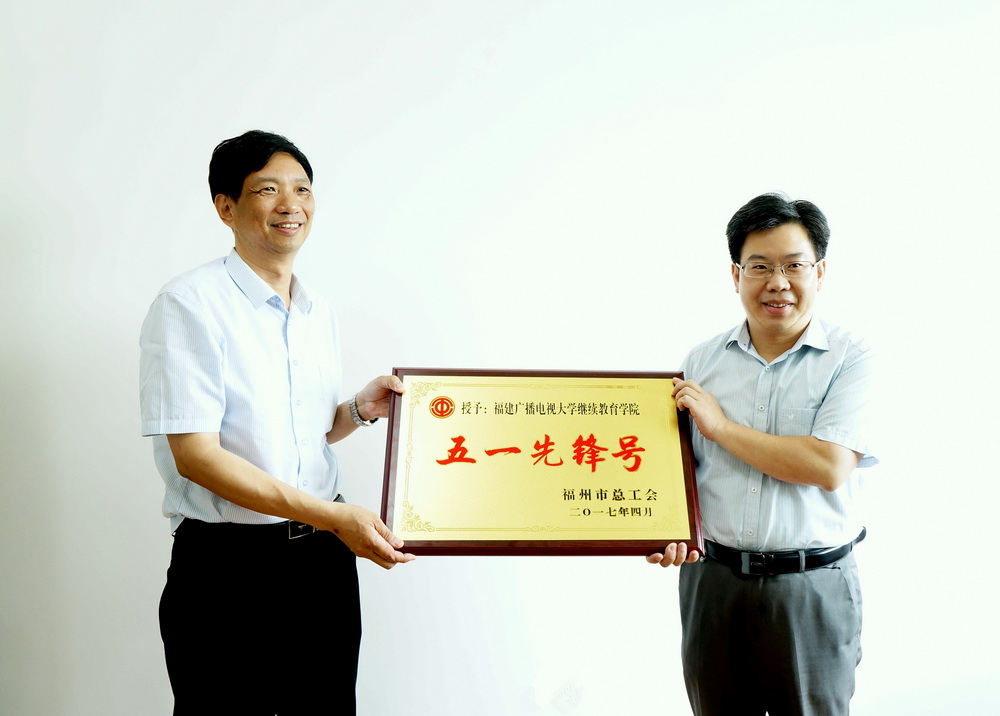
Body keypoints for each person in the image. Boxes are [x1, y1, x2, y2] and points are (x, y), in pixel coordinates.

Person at [139, 130, 414, 715]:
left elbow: (299, 435)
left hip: (322, 565)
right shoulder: (189, 304)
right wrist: (333, 517)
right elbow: (197, 457)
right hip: (228, 570)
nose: (291, 204)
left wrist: (358, 410)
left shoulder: (315, 310)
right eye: (268, 189)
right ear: (226, 208)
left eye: (302, 189)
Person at [647, 193, 877, 716]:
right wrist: (664, 529)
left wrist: (722, 428)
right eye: (760, 266)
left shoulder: (851, 358)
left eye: (794, 265)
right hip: (713, 582)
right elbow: (679, 472)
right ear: (736, 275)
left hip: (811, 587)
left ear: (820, 272)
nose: (778, 282)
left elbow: (828, 466)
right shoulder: (700, 362)